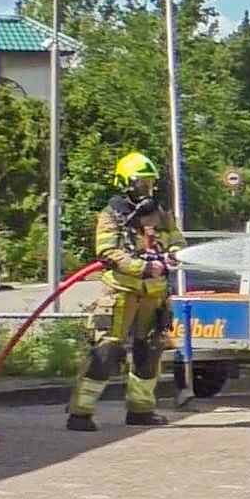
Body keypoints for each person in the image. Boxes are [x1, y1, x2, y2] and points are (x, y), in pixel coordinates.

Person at [66, 152, 185, 431]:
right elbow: (107, 251)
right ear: (125, 183)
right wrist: (142, 268)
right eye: (141, 183)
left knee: (150, 351)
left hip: (154, 295)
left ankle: (141, 410)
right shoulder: (112, 214)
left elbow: (177, 239)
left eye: (150, 182)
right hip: (121, 291)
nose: (147, 189)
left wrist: (173, 253)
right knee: (107, 350)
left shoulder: (161, 213)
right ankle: (80, 413)